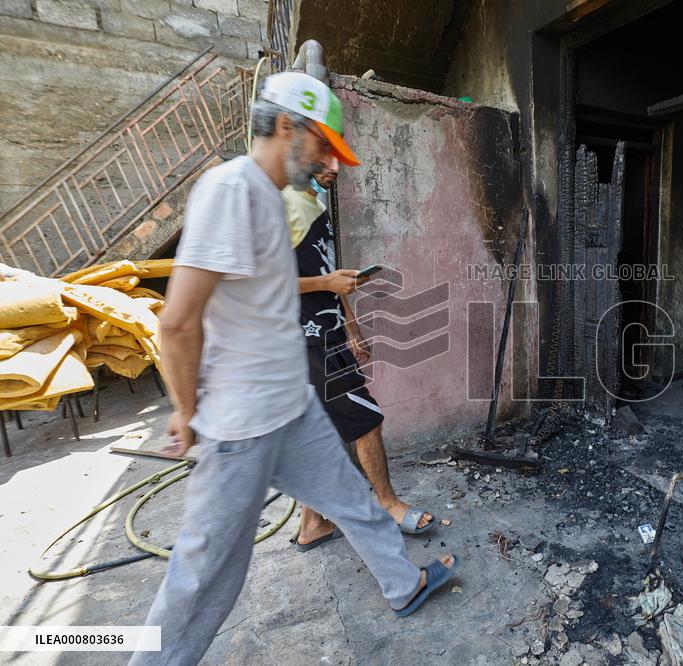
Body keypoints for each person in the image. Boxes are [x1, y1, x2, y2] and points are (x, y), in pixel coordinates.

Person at [131, 71, 457, 665]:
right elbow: (177, 321)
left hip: (291, 406)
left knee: (356, 504)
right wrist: (185, 410)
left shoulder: (279, 200)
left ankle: (404, 584)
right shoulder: (229, 190)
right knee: (204, 577)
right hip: (243, 423)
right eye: (324, 146)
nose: (330, 163)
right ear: (287, 126)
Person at [282, 165, 435, 551]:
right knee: (366, 420)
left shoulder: (314, 204)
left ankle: (313, 524)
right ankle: (388, 505)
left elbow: (329, 274)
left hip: (328, 332)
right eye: (326, 155)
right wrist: (323, 285)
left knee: (321, 431)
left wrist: (350, 324)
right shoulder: (279, 204)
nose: (335, 167)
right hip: (306, 338)